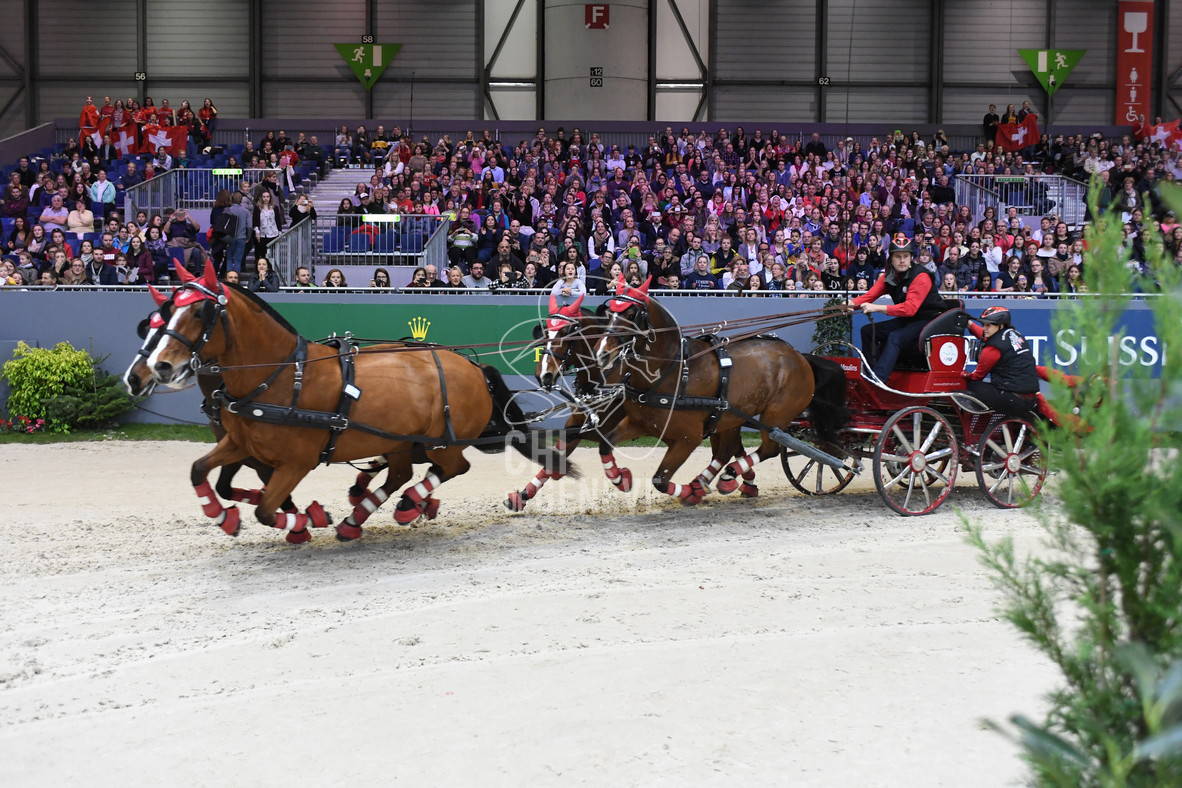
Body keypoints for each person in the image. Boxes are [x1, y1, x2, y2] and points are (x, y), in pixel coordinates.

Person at [849, 233, 955, 383]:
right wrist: (851, 304)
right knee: (868, 330)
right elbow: (869, 296)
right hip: (910, 319)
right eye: (898, 256)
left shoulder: (921, 276)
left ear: (911, 258)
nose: (902, 260)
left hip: (930, 320)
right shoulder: (888, 276)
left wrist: (876, 308)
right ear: (891, 258)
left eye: (905, 256)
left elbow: (910, 308)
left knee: (895, 337)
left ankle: (879, 380)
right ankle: (870, 372)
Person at [964, 307, 1040, 417]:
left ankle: (975, 421)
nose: (984, 328)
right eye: (983, 324)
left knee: (970, 386)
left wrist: (964, 376)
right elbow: (985, 335)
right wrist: (969, 324)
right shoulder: (1013, 334)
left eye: (988, 325)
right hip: (1030, 398)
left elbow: (977, 376)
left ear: (1001, 325)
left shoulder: (992, 349)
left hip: (1013, 400)